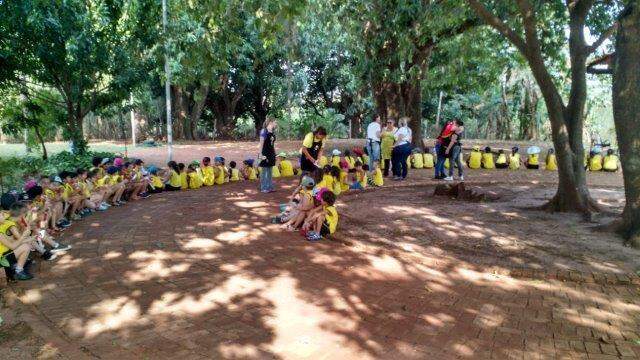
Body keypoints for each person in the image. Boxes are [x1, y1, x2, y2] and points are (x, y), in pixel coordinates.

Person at [258, 118, 277, 193]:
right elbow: (261, 144)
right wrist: (260, 154)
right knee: (264, 171)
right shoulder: (264, 131)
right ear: (271, 122)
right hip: (265, 153)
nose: (276, 124)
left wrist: (275, 154)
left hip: (271, 154)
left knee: (270, 171)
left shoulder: (272, 132)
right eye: (275, 122)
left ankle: (270, 187)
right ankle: (263, 188)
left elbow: (272, 145)